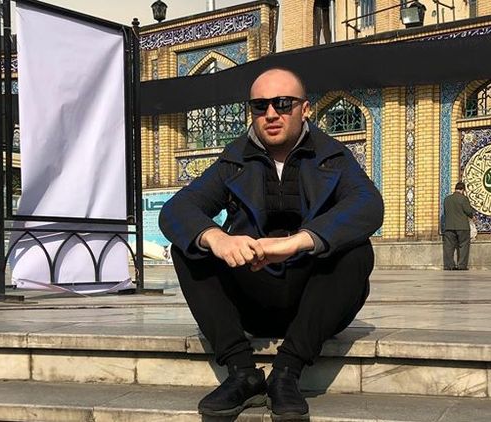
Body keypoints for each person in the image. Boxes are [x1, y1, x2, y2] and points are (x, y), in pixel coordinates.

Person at [160, 68, 383, 421]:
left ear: (305, 109)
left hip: (315, 301)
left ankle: (287, 372)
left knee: (357, 249)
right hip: (254, 297)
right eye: (260, 106)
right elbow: (177, 210)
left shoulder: (332, 156)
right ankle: (242, 374)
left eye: (282, 103)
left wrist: (297, 243)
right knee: (190, 246)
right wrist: (217, 238)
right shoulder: (234, 159)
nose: (271, 114)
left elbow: (368, 205)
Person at [442, 181, 474, 270]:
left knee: (449, 247)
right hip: (462, 227)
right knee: (463, 246)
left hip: (449, 227)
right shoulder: (463, 199)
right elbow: (469, 212)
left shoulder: (447, 199)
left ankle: (449, 265)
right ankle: (461, 265)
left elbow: (445, 212)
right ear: (463, 190)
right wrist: (472, 216)